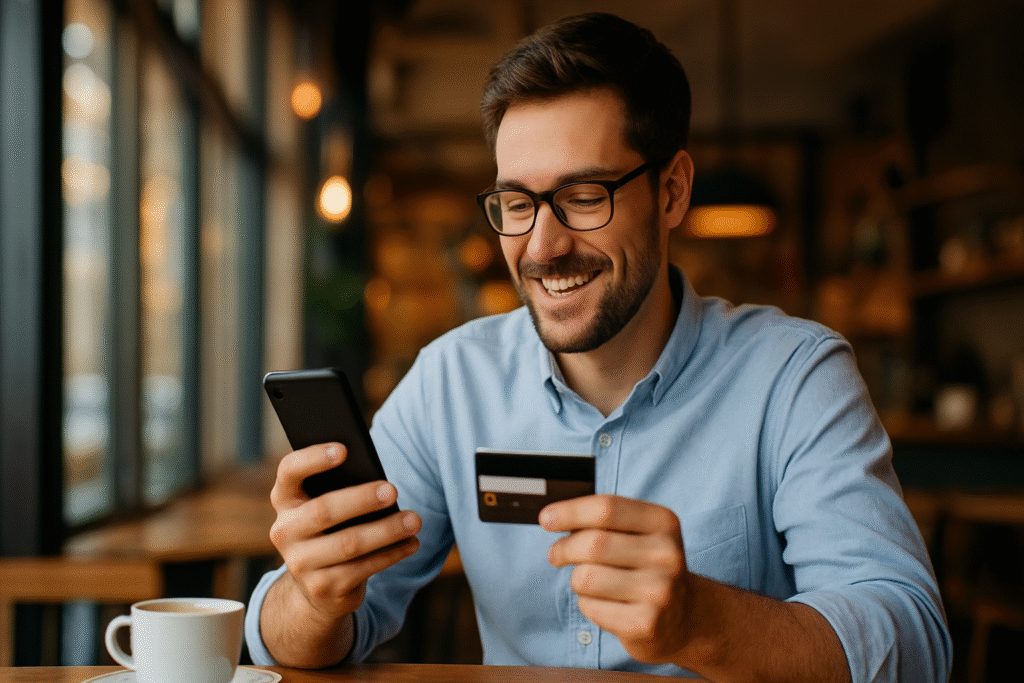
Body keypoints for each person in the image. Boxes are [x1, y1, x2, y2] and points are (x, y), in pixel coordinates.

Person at [246, 13, 951, 682]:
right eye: (517, 203)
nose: (543, 247)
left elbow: (915, 643)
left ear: (671, 192)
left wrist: (700, 619)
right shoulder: (451, 381)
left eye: (584, 195)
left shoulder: (793, 377)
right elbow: (294, 634)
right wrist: (313, 597)